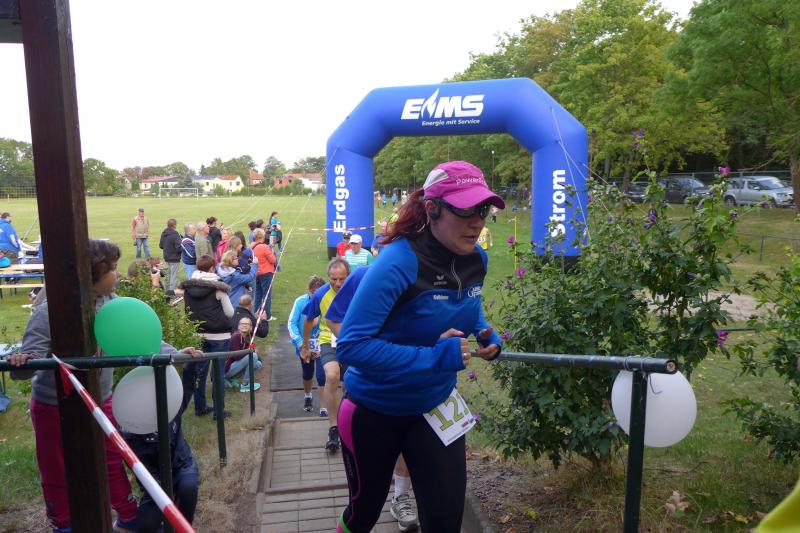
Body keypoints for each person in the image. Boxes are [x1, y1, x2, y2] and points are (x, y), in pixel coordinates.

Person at [335, 160, 504, 532]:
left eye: (483, 209)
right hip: (374, 409)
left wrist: (484, 332)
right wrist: (433, 357)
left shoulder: (478, 258)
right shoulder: (398, 260)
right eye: (466, 209)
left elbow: (468, 304)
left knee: (445, 521)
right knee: (363, 515)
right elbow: (351, 346)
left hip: (434, 405)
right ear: (432, 209)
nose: (478, 221)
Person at [8, 239, 198, 533]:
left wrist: (173, 354)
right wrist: (23, 360)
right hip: (53, 406)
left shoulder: (112, 304)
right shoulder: (50, 312)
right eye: (112, 268)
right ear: (91, 273)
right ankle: (63, 522)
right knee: (55, 465)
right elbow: (25, 365)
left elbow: (140, 335)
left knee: (112, 456)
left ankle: (127, 514)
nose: (117, 273)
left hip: (102, 398)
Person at [325, 266, 419, 531]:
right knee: (364, 507)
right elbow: (332, 318)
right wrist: (362, 348)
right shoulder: (365, 275)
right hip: (369, 397)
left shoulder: (438, 272)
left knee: (409, 452)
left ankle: (400, 497)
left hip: (417, 390)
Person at [123, 349, 203, 533]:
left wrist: (190, 362)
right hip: (155, 479)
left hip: (182, 464)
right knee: (146, 525)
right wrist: (159, 488)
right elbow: (138, 468)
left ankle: (184, 526)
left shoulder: (170, 407)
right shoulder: (131, 431)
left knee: (188, 488)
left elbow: (186, 388)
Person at [300, 258, 350, 452]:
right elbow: (308, 319)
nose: (338, 283)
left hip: (351, 339)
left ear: (348, 276)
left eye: (342, 279)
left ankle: (350, 421)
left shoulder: (356, 290)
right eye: (334, 279)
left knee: (352, 381)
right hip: (328, 339)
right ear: (328, 277)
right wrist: (305, 346)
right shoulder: (321, 294)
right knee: (331, 375)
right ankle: (333, 428)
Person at [179, 254, 234, 418]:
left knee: (199, 372)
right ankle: (218, 411)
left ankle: (200, 407)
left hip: (197, 334)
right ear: (212, 268)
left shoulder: (187, 289)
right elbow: (230, 313)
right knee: (218, 374)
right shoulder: (218, 289)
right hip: (219, 336)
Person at [288, 275, 326, 413]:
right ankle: (308, 395)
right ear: (309, 291)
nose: (315, 296)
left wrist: (326, 344)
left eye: (318, 293)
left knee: (322, 375)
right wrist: (300, 343)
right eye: (312, 293)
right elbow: (291, 322)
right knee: (307, 373)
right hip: (304, 345)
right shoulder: (301, 301)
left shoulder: (329, 302)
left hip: (323, 344)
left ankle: (324, 406)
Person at [224, 316, 262, 392]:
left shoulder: (246, 338)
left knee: (258, 364)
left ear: (251, 327)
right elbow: (237, 357)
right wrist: (250, 351)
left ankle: (231, 378)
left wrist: (253, 349)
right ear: (238, 326)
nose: (244, 325)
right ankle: (245, 384)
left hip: (234, 367)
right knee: (253, 356)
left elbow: (251, 347)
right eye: (242, 323)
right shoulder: (236, 336)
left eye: (247, 324)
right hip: (226, 369)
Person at [250, 228, 277, 321]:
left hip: (256, 273)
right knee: (266, 295)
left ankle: (256, 313)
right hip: (266, 273)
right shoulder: (264, 247)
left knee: (258, 294)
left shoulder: (252, 246)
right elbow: (273, 260)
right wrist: (272, 252)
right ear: (262, 236)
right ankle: (267, 315)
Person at [159, 218, 182, 293]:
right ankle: (171, 292)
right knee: (173, 275)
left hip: (166, 257)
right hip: (174, 258)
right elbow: (178, 248)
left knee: (168, 275)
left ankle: (166, 290)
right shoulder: (176, 235)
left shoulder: (164, 233)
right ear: (174, 225)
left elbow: (161, 245)